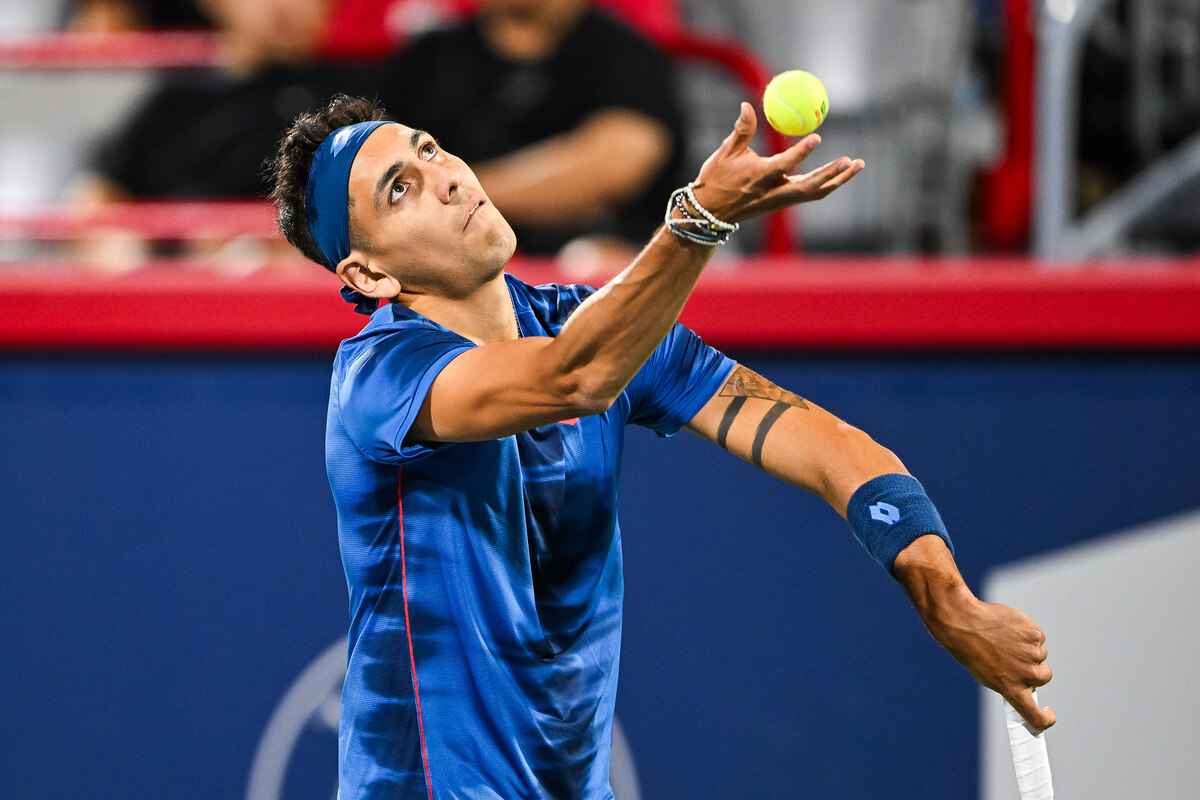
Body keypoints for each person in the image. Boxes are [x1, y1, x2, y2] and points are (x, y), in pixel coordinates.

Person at [268, 93, 1055, 798]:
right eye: (398, 190)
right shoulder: (380, 376)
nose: (441, 177)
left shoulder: (597, 327)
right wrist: (698, 222)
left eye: (430, 149)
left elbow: (829, 447)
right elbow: (576, 379)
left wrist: (941, 592)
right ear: (368, 276)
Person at [372, 0, 684, 261]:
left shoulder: (624, 54)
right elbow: (377, 167)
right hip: (446, 254)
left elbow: (615, 167)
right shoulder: (428, 58)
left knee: (594, 262)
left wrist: (454, 195)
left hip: (584, 252)